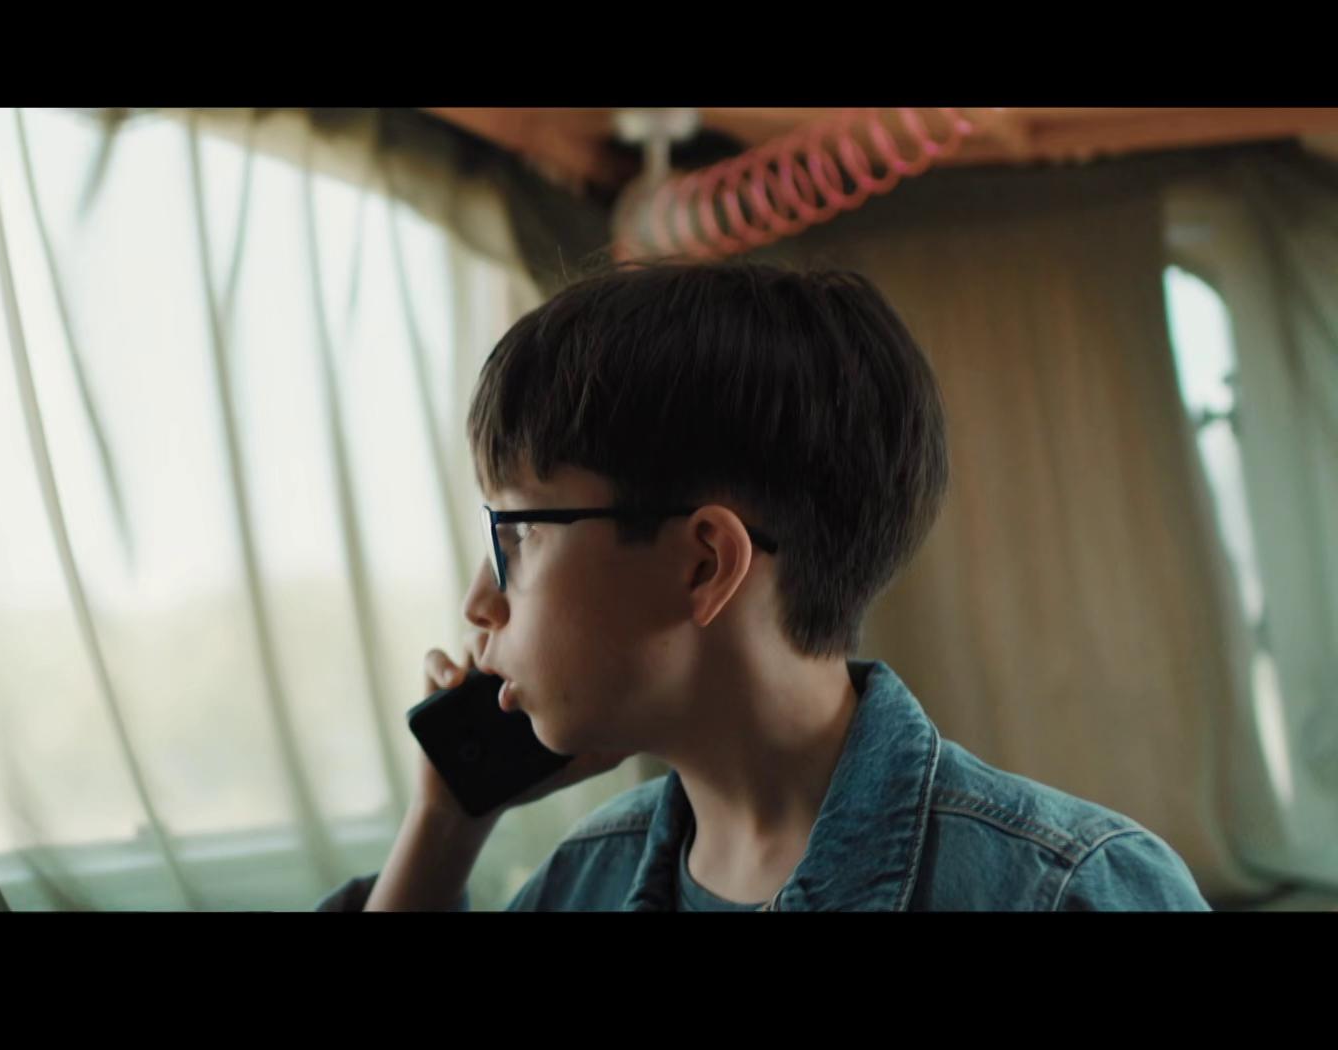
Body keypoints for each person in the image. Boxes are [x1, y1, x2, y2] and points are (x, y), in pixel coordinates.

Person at [320, 261, 1211, 912]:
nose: (479, 602)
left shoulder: (1069, 891)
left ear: (705, 563)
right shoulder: (584, 879)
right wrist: (444, 824)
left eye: (516, 534)